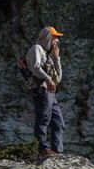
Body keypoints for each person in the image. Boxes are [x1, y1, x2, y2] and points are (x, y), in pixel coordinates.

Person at [25, 26, 65, 157]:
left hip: (50, 92)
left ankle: (57, 150)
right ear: (48, 37)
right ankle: (42, 148)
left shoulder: (48, 56)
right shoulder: (36, 49)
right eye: (55, 38)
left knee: (58, 121)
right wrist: (47, 79)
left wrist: (56, 58)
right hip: (41, 89)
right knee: (43, 118)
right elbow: (35, 67)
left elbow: (57, 79)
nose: (57, 41)